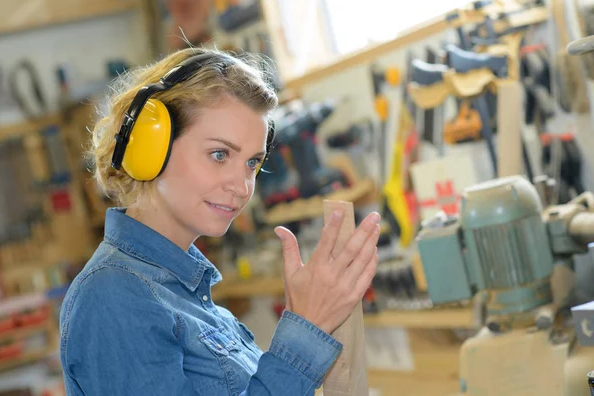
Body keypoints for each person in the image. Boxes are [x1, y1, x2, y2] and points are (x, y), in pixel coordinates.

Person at [59, 47, 381, 396]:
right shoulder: (113, 297)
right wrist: (304, 332)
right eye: (219, 154)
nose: (242, 186)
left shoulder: (186, 294)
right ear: (149, 147)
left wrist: (306, 324)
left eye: (252, 162)